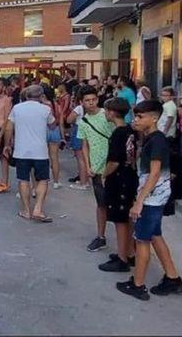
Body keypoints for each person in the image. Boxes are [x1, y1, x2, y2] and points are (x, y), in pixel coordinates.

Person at [117, 99, 182, 300]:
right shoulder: (150, 138)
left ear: (154, 118)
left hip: (151, 199)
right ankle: (173, 278)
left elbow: (155, 173)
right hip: (155, 197)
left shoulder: (157, 141)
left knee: (142, 241)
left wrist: (139, 201)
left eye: (140, 117)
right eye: (135, 116)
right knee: (155, 236)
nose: (136, 120)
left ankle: (138, 285)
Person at [2, 85, 55, 223]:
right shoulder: (46, 109)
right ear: (41, 96)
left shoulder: (17, 108)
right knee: (43, 180)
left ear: (26, 95)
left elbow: (8, 128)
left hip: (21, 151)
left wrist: (7, 145)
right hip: (40, 151)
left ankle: (26, 210)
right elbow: (52, 125)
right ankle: (38, 209)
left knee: (23, 179)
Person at [98, 97, 138, 272]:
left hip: (119, 178)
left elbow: (114, 162)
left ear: (112, 112)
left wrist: (104, 175)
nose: (105, 114)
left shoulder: (117, 134)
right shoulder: (130, 131)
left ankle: (122, 259)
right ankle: (129, 252)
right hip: (130, 175)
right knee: (127, 217)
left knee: (120, 219)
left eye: (107, 111)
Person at [77, 86, 115, 252]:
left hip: (113, 165)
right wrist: (87, 165)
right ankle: (101, 236)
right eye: (87, 100)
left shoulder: (108, 115)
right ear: (82, 102)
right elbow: (84, 145)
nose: (91, 103)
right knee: (101, 203)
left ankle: (130, 241)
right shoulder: (83, 122)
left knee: (122, 204)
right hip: (97, 168)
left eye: (93, 99)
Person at [42, 90, 65, 189]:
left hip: (43, 130)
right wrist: (63, 137)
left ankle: (43, 179)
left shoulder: (42, 106)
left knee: (43, 157)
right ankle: (56, 181)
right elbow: (61, 122)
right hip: (55, 130)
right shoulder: (56, 105)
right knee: (54, 158)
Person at [66, 98, 89, 188]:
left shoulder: (79, 108)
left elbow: (69, 120)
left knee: (80, 159)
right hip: (88, 132)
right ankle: (86, 180)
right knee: (86, 158)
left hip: (79, 131)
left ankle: (83, 183)